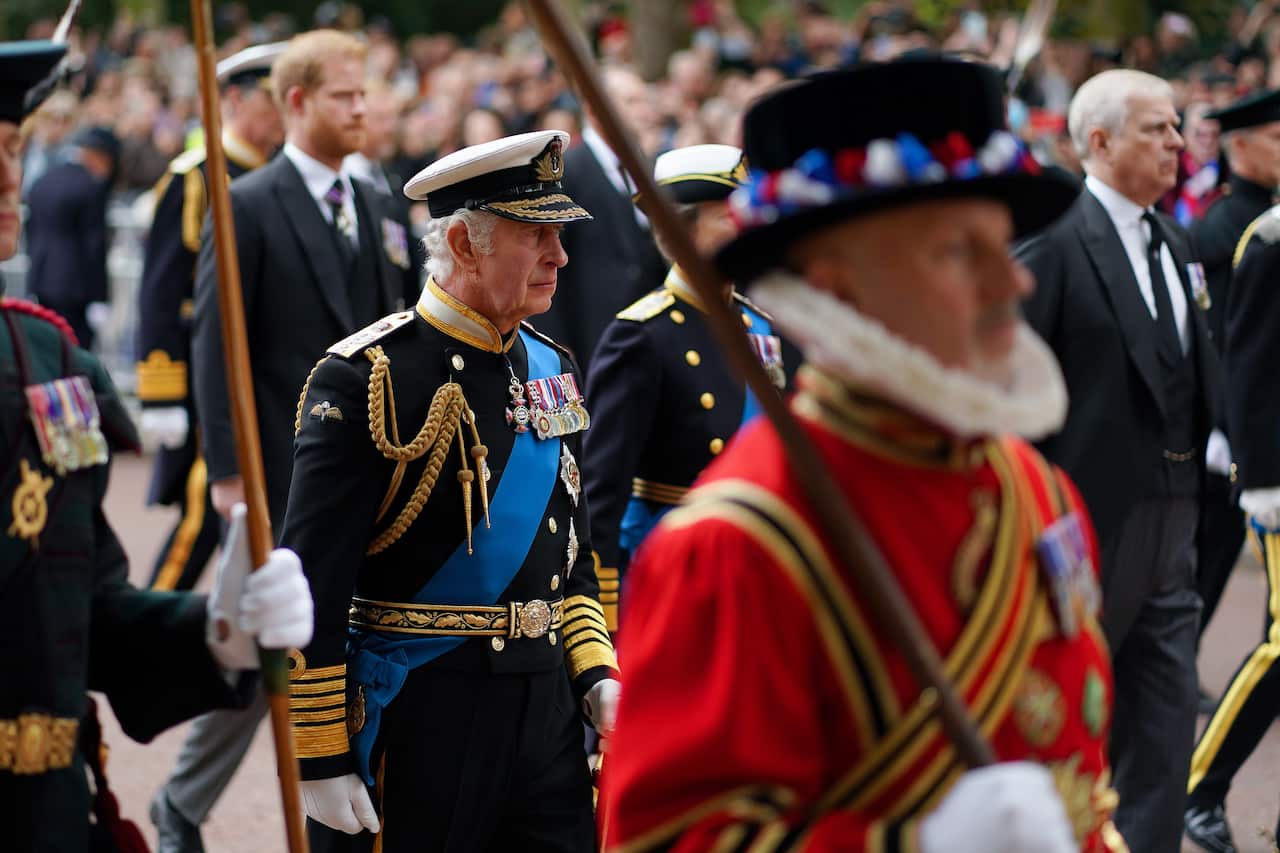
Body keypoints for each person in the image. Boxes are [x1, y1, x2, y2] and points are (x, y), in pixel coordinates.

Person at [603, 58, 1123, 853]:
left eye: (1002, 244)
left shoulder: (1037, 488)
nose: (1011, 282)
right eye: (959, 251)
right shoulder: (734, 547)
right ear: (837, 285)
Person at [0, 38, 312, 853]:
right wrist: (171, 393)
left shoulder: (45, 358)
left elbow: (80, 608)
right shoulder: (196, 179)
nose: (8, 179)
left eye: (13, 148)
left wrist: (221, 628)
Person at [282, 129, 620, 852]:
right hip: (425, 717)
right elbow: (312, 583)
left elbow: (573, 557)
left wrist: (596, 673)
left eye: (559, 234)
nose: (559, 256)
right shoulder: (367, 377)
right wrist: (319, 752)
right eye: (535, 235)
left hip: (546, 716)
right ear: (465, 246)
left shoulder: (551, 366)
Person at [155, 29, 423, 852]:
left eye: (365, 93)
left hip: (378, 471)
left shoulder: (378, 203)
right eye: (345, 96)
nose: (362, 109)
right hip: (284, 467)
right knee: (276, 646)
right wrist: (229, 472)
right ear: (297, 101)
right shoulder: (249, 202)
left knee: (353, 637)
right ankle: (182, 800)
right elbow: (217, 342)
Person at [1017, 69, 1222, 853]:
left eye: (1176, 126)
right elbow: (1022, 400)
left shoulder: (1173, 238)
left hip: (1176, 511)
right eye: (1156, 129)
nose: (1176, 143)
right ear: (1098, 142)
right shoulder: (1055, 243)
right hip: (1088, 522)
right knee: (1069, 712)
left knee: (1165, 721)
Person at [583, 143, 788, 629]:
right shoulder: (642, 335)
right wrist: (604, 622)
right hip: (677, 572)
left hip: (759, 562)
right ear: (681, 231)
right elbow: (601, 496)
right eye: (729, 218)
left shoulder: (759, 325)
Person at [135, 40, 287, 594]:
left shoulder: (277, 176)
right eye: (271, 98)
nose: (282, 112)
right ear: (236, 101)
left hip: (261, 369)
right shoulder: (196, 177)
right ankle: (151, 620)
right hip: (208, 370)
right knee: (205, 509)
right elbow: (160, 290)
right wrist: (161, 390)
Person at [1184, 186, 1280, 853]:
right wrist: (1263, 481)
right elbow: (1246, 368)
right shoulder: (1271, 239)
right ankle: (1199, 787)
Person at [1187, 89, 1280, 671]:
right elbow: (1225, 340)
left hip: (1247, 427)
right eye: (1275, 138)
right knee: (1204, 567)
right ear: (1238, 146)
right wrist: (1228, 428)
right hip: (1233, 434)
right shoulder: (1228, 228)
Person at [533, 66, 667, 372]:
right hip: (592, 337)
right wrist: (555, 343)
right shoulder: (568, 170)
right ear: (593, 109)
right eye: (631, 101)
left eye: (644, 100)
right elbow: (547, 257)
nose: (645, 111)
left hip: (647, 333)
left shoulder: (645, 168)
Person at [23, 124, 118, 350]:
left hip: (41, 278)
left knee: (46, 349)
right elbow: (94, 245)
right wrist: (99, 296)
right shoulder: (90, 187)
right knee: (75, 354)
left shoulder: (42, 181)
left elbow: (31, 230)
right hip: (76, 287)